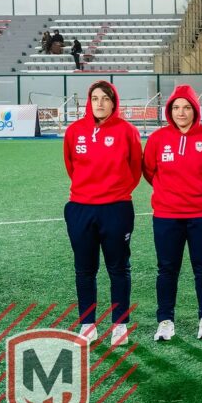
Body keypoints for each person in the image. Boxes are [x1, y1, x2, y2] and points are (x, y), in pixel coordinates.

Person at [144, 85, 202, 341]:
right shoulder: (158, 139)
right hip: (167, 216)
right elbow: (148, 171)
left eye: (186, 107)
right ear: (169, 110)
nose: (181, 112)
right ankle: (165, 321)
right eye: (176, 107)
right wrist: (168, 193)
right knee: (166, 270)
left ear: (195, 110)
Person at [63, 80, 142, 346]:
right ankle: (88, 324)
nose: (99, 103)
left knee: (118, 268)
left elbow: (135, 169)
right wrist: (87, 193)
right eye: (95, 98)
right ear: (89, 101)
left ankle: (120, 325)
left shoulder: (127, 131)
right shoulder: (74, 131)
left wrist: (116, 192)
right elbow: (71, 166)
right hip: (81, 208)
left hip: (117, 208)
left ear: (113, 102)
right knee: (84, 270)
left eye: (105, 98)